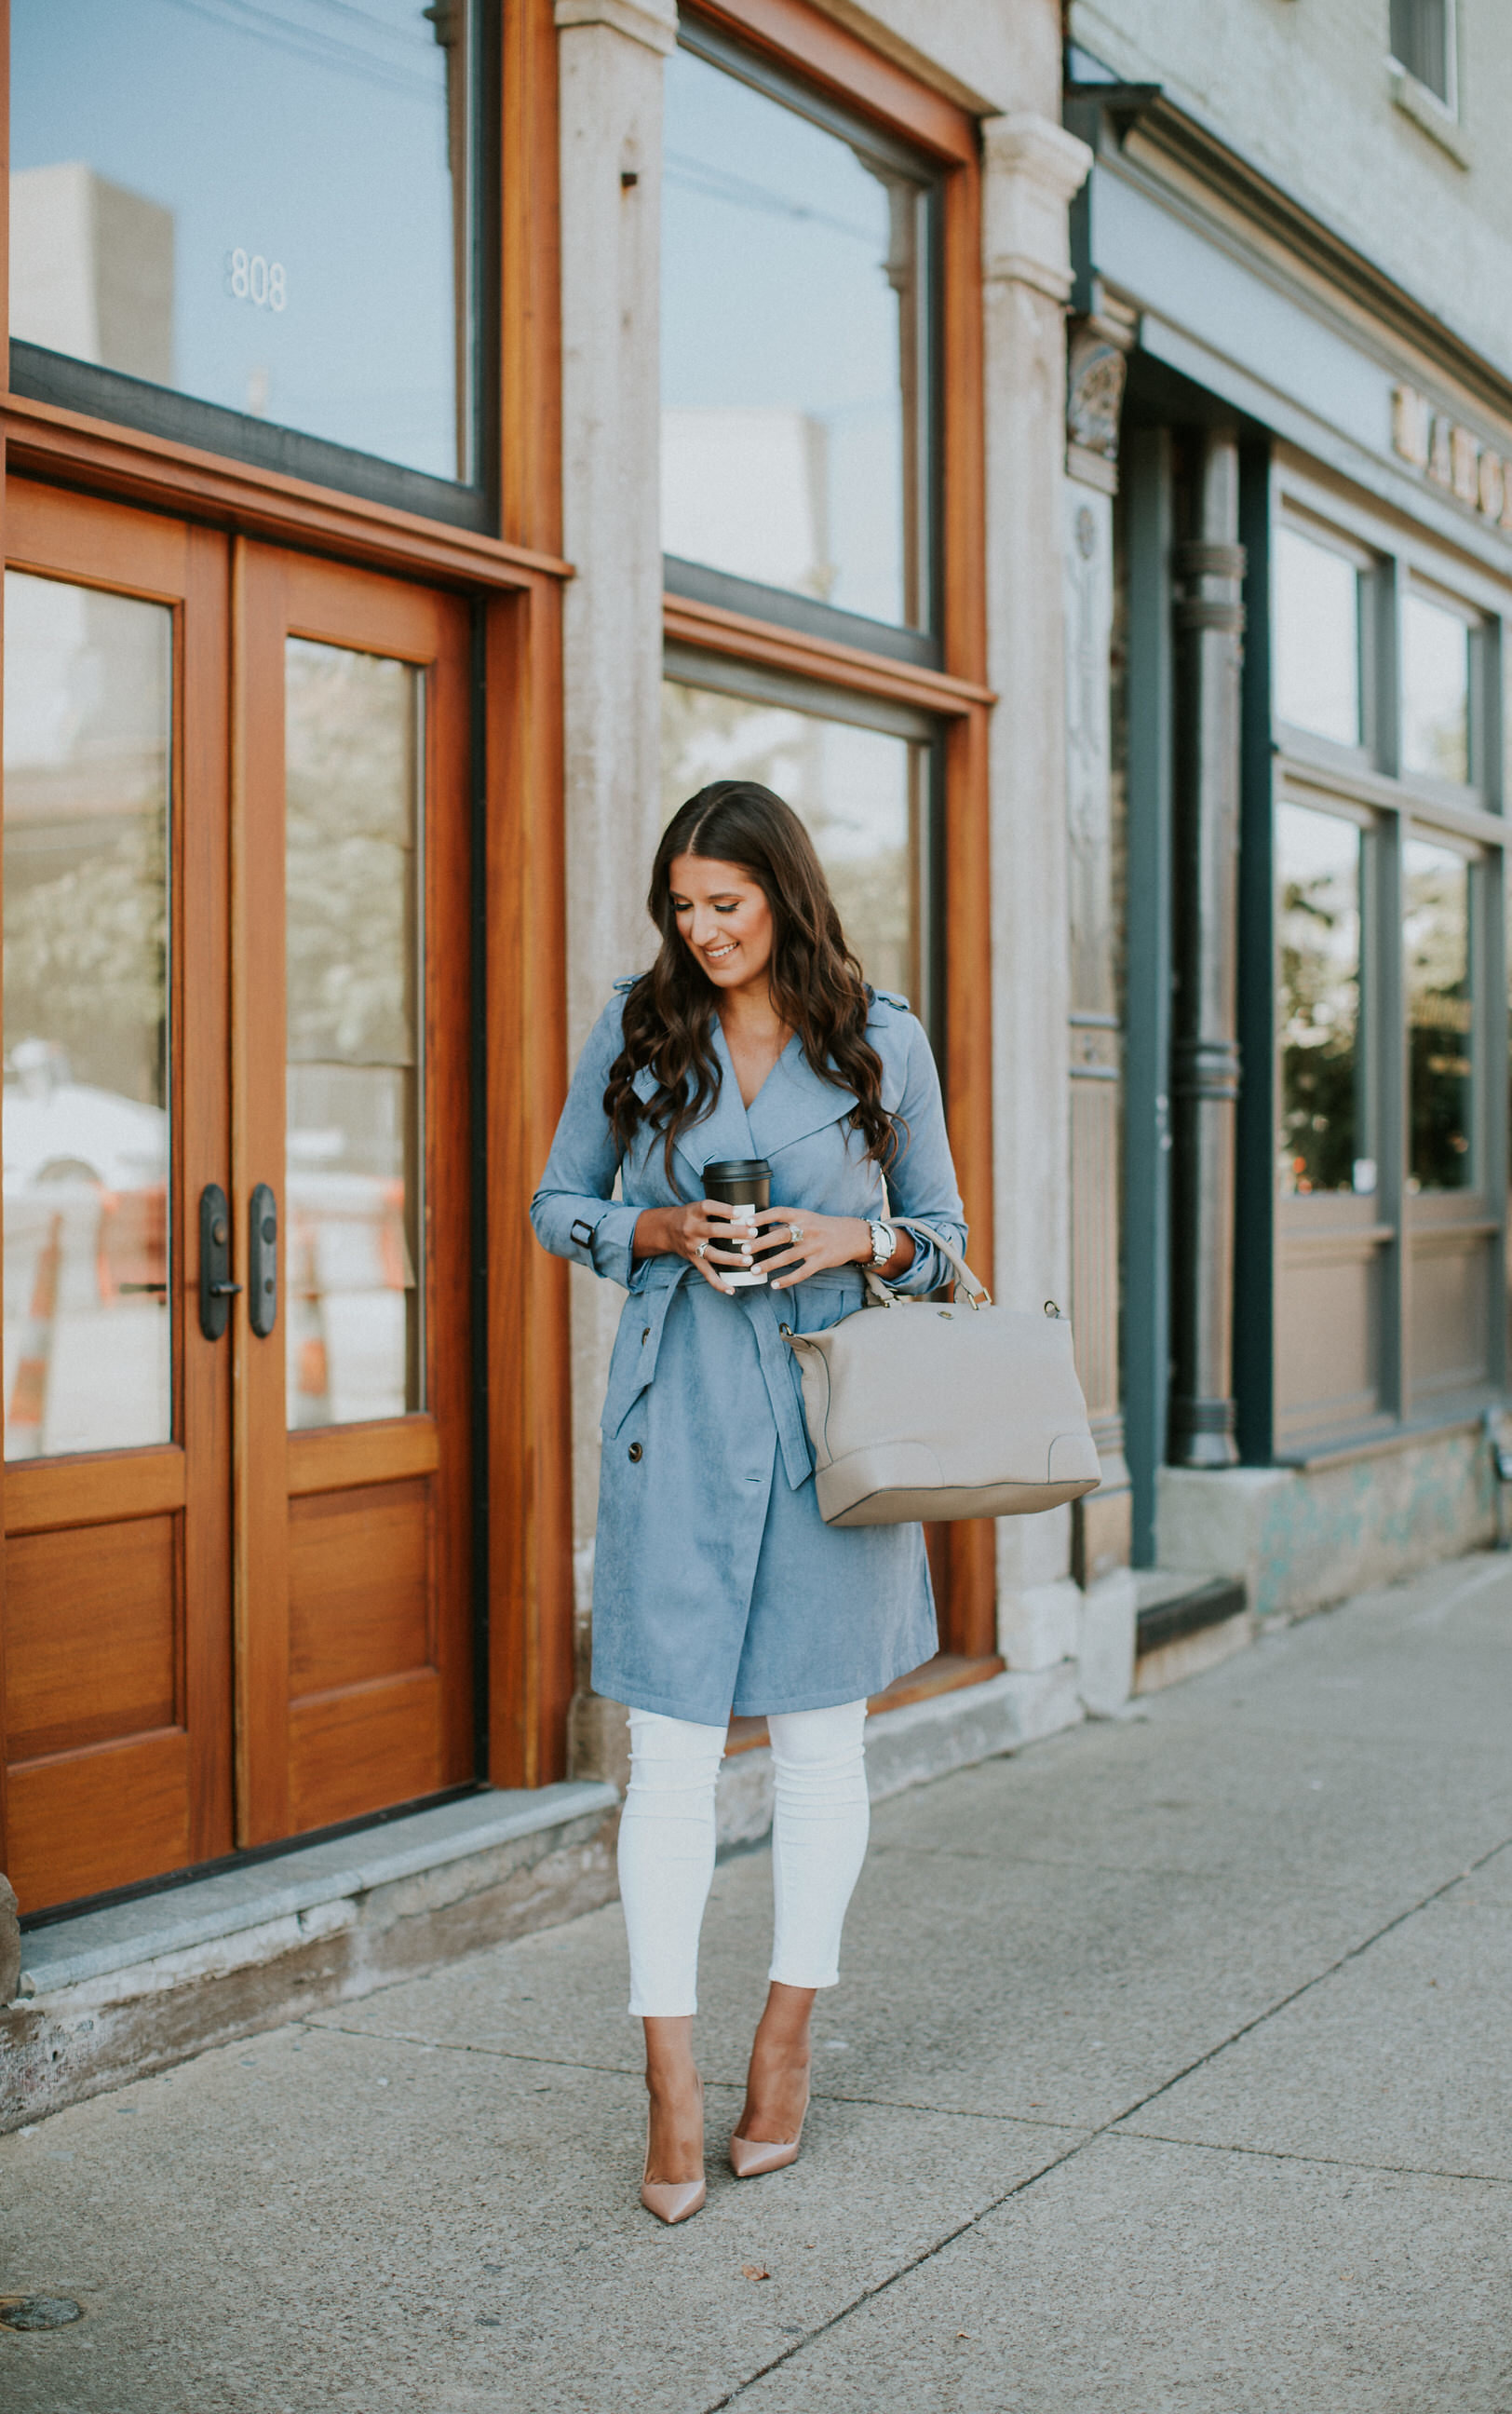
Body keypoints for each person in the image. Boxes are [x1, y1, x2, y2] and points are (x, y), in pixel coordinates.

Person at [531, 780, 966, 2224]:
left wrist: (859, 1234)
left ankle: (785, 2040)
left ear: (784, 892)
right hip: (675, 1427)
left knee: (820, 1753)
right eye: (681, 905)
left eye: (726, 902)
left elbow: (949, 1243)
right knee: (666, 1762)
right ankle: (668, 2081)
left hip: (827, 1435)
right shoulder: (639, 1025)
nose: (702, 929)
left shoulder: (879, 1038)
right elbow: (556, 1204)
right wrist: (652, 1227)